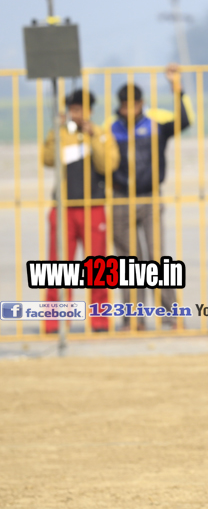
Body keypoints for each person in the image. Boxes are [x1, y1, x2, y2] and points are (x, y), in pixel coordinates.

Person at [111, 64, 190, 330]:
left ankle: (172, 315)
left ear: (141, 104)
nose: (129, 110)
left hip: (150, 197)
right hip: (121, 198)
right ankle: (133, 319)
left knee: (157, 258)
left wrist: (176, 87)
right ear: (120, 106)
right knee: (129, 262)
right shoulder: (111, 130)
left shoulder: (155, 126)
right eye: (125, 106)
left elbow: (184, 121)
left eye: (133, 105)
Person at [41, 89, 119, 333]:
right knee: (58, 268)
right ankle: (55, 321)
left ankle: (100, 320)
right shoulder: (60, 134)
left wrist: (93, 136)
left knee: (98, 267)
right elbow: (47, 159)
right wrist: (56, 132)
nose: (76, 114)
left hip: (93, 207)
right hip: (64, 208)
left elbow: (108, 165)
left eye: (80, 109)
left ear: (90, 111)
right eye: (73, 109)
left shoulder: (101, 134)